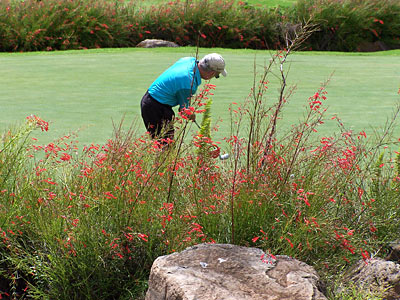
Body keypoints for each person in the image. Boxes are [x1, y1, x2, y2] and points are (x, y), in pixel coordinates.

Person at [140, 53, 227, 142]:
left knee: (166, 144)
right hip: (155, 107)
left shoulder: (189, 60)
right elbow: (184, 111)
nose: (214, 77)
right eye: (216, 75)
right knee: (164, 145)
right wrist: (191, 115)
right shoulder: (188, 83)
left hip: (152, 99)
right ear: (211, 73)